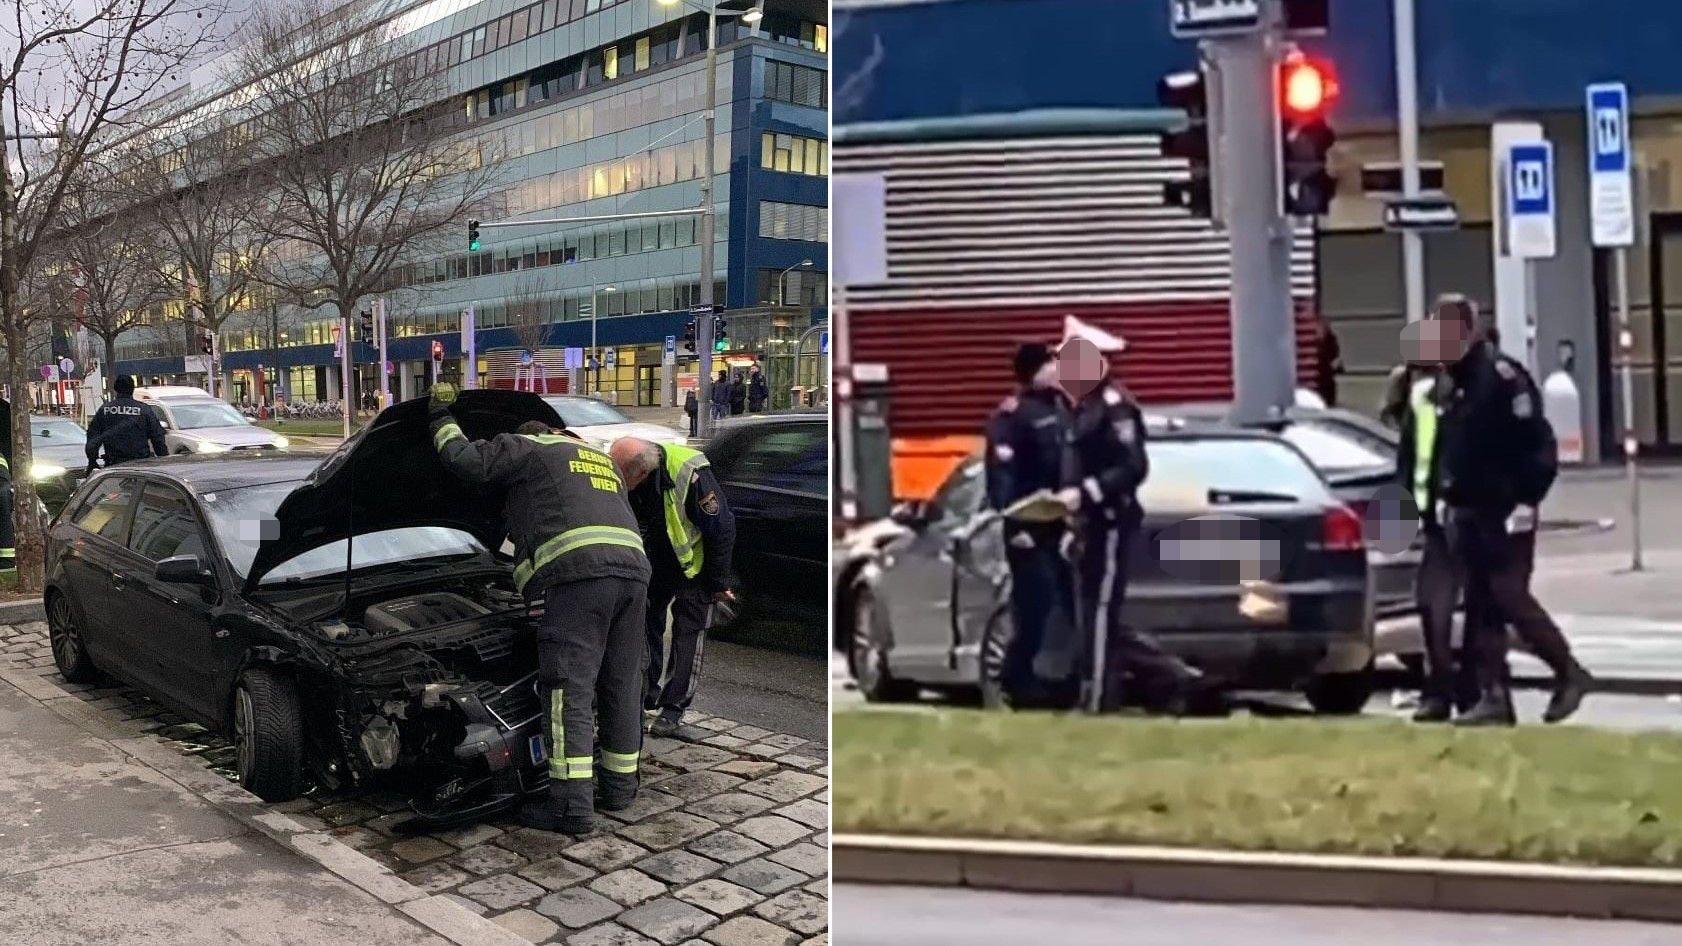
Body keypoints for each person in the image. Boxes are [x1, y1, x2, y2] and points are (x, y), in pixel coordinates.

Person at [428, 385, 651, 833]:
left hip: (580, 577)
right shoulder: (598, 459)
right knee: (621, 683)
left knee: (569, 690)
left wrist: (438, 418)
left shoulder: (527, 447)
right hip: (633, 576)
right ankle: (620, 789)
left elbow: (464, 460)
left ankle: (570, 808)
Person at [1429, 295, 1593, 726]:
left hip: (1504, 510)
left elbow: (1536, 444)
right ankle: (1494, 696)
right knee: (1482, 606)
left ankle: (1568, 672)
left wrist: (1527, 499)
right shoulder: (1452, 381)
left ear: (1468, 331)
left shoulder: (1501, 378)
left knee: (1508, 595)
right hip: (1468, 510)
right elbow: (1454, 446)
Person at [1058, 319, 1207, 714]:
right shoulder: (1081, 409)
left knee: (1103, 612)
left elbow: (1132, 466)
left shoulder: (1115, 408)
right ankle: (1164, 678)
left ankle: (1099, 700)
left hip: (1110, 521)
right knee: (1090, 615)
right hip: (1087, 524)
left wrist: (1088, 493)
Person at [609, 436, 736, 738]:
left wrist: (717, 583)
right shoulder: (632, 474)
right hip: (653, 562)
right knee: (644, 626)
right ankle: (645, 694)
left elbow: (721, 529)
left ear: (639, 473)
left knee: (687, 634)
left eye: (621, 475)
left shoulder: (690, 474)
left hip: (696, 567)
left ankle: (673, 709)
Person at [984, 343, 1078, 706]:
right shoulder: (1014, 415)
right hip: (1028, 526)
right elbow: (1001, 474)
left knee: (1069, 604)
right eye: (1049, 363)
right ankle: (1018, 679)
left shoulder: (1062, 406)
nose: (1056, 368)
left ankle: (1064, 678)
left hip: (1063, 521)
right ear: (1032, 370)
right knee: (1034, 603)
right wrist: (1013, 520)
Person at [85, 375, 167, 473]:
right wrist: (164, 461)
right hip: (141, 465)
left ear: (115, 389)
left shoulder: (105, 410)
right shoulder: (144, 410)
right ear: (132, 389)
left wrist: (92, 460)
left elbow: (93, 436)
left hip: (114, 466)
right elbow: (157, 438)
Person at [1314, 314, 1344, 408]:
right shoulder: (1312, 342)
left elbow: (1335, 357)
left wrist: (1335, 364)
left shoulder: (1331, 340)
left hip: (1327, 379)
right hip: (1316, 380)